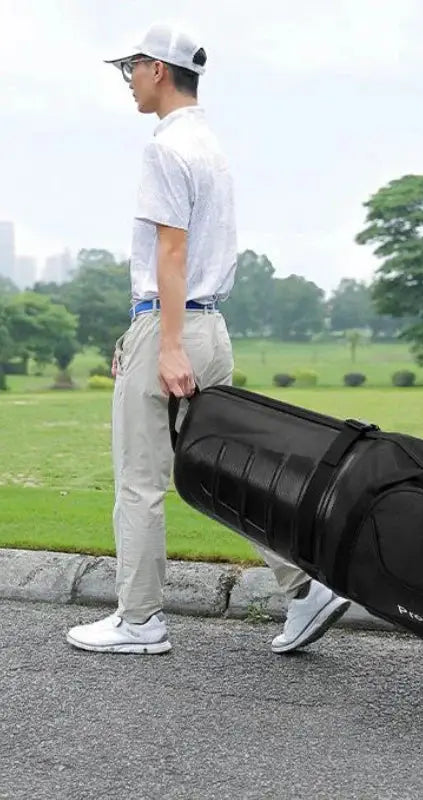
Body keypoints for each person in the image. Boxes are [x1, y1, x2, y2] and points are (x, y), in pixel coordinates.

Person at [66, 22, 350, 655]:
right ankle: (305, 589)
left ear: (157, 69)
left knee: (140, 482)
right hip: (209, 327)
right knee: (224, 472)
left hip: (174, 329)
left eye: (131, 69)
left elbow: (172, 248)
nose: (129, 81)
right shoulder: (210, 146)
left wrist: (162, 342)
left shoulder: (163, 148)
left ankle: (138, 621)